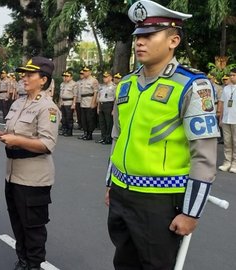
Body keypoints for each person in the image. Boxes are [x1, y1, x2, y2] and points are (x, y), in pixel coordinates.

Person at [105, 1, 220, 269]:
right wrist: (111, 182)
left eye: (149, 36)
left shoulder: (192, 85)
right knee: (124, 263)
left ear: (173, 41)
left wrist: (192, 212)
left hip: (160, 201)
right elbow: (118, 137)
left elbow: (203, 155)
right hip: (122, 195)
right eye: (137, 37)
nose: (139, 43)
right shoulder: (127, 84)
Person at [0, 56, 59, 270]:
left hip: (34, 178)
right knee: (17, 222)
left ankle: (34, 265)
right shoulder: (19, 102)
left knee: (33, 228)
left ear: (43, 80)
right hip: (12, 174)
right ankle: (23, 262)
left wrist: (17, 140)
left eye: (30, 74)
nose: (24, 78)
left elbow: (48, 144)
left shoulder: (48, 108)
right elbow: (14, 132)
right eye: (24, 73)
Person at [218, 68, 236, 173]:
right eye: (231, 75)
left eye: (233, 75)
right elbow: (222, 103)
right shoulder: (226, 89)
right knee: (227, 142)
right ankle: (227, 162)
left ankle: (234, 163)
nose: (231, 77)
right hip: (226, 119)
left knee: (235, 142)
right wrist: (220, 118)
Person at [77, 66, 99, 140]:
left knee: (90, 119)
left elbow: (95, 92)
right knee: (83, 119)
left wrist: (93, 102)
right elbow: (81, 93)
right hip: (83, 101)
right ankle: (85, 133)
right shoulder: (82, 81)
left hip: (90, 100)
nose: (85, 73)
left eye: (86, 71)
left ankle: (89, 134)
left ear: (90, 72)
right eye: (84, 71)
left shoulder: (93, 80)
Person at [96, 72, 116, 144]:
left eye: (106, 77)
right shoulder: (102, 87)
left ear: (111, 78)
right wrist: (98, 108)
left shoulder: (114, 87)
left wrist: (114, 109)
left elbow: (115, 99)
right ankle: (103, 137)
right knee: (102, 122)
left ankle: (108, 138)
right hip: (102, 104)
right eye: (104, 77)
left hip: (109, 105)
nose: (105, 78)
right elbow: (99, 97)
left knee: (109, 123)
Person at [58, 71, 78, 137]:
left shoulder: (74, 84)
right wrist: (60, 102)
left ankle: (69, 131)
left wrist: (74, 104)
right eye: (65, 76)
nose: (65, 78)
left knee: (69, 118)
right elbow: (61, 94)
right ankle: (64, 130)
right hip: (63, 102)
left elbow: (75, 95)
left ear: (71, 77)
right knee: (63, 118)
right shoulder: (62, 84)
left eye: (67, 76)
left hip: (69, 102)